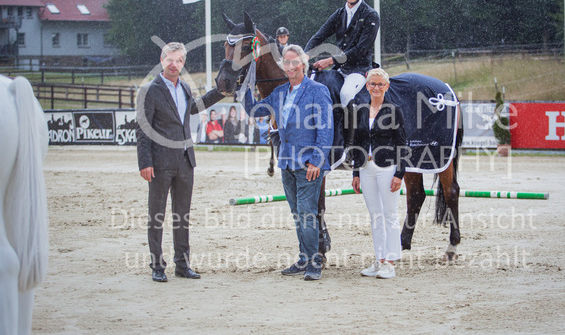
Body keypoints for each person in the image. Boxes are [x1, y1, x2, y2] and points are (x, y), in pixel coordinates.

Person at [243, 45, 333, 281]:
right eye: (286, 62)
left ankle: (314, 262)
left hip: (309, 164)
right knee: (297, 213)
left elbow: (325, 128)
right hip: (286, 162)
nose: (290, 66)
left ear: (303, 64)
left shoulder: (318, 90)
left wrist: (317, 161)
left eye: (294, 62)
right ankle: (304, 258)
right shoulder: (280, 92)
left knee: (307, 213)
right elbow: (254, 110)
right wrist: (245, 87)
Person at [136, 42, 224, 283]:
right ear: (162, 60)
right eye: (169, 60)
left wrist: (219, 92)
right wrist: (144, 162)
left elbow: (193, 108)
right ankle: (157, 266)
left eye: (178, 60)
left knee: (182, 216)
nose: (173, 65)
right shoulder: (149, 90)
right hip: (159, 162)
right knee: (156, 215)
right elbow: (143, 129)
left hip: (185, 160)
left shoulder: (184, 87)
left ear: (183, 63)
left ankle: (182, 265)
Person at [304, 0, 380, 152]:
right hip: (340, 70)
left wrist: (330, 61)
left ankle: (350, 145)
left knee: (346, 94)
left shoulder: (370, 15)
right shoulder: (339, 14)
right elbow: (320, 35)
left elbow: (361, 50)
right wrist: (305, 55)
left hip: (359, 69)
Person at [350, 68, 406, 279]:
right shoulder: (361, 110)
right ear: (367, 86)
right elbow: (357, 142)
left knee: (390, 214)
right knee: (375, 216)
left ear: (386, 86)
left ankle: (391, 261)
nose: (376, 87)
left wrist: (399, 173)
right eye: (372, 84)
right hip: (366, 167)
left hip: (387, 168)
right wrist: (356, 172)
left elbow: (402, 143)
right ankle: (379, 258)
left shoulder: (394, 110)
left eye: (380, 84)